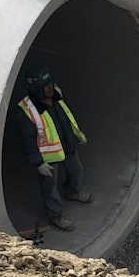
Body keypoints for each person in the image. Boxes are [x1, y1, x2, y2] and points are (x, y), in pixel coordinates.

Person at [14, 65, 93, 231]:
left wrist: (76, 136)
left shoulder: (56, 95)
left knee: (76, 172)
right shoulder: (27, 111)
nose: (50, 89)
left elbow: (66, 118)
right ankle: (56, 215)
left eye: (51, 84)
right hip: (49, 157)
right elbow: (27, 141)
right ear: (35, 89)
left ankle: (72, 191)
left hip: (67, 146)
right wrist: (38, 163)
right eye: (46, 87)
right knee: (50, 187)